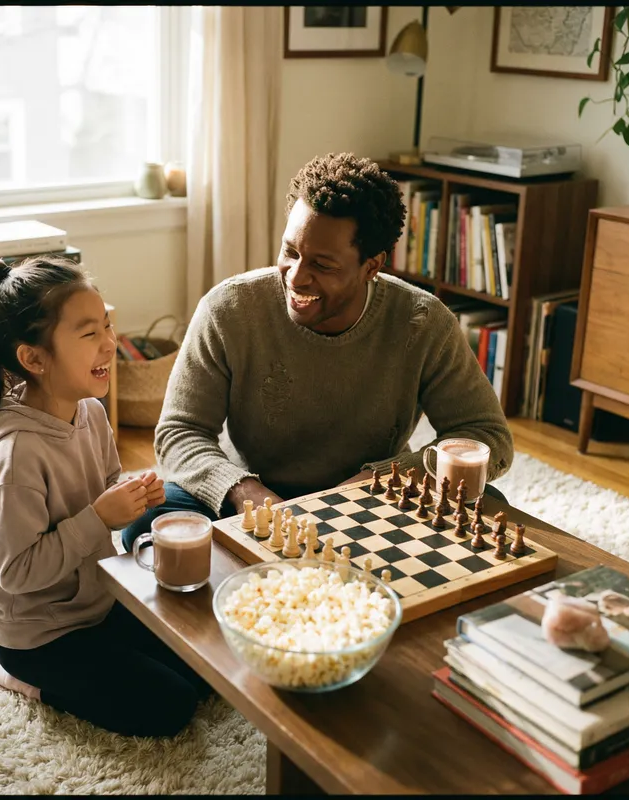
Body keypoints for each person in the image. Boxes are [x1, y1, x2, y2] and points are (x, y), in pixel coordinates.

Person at [122, 152, 513, 551]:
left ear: (371, 266)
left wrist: (377, 481)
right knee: (150, 522)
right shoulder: (228, 309)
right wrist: (242, 490)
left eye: (322, 265)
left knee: (488, 505)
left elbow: (487, 436)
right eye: (290, 252)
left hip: (375, 500)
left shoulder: (424, 322)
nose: (296, 276)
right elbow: (179, 432)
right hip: (255, 496)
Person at [0, 255, 211, 738]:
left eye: (106, 325)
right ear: (34, 359)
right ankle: (20, 680)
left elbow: (104, 487)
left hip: (95, 605)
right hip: (39, 637)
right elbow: (17, 573)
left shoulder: (91, 412)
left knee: (206, 669)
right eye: (89, 333)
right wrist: (98, 517)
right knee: (171, 707)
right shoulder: (15, 458)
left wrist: (131, 495)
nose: (110, 343)